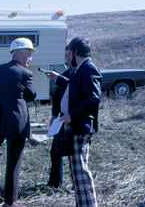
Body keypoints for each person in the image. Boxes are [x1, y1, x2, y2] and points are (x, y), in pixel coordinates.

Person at [47, 37, 101, 207]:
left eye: (69, 52)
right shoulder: (80, 69)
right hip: (74, 127)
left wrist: (72, 115)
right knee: (76, 173)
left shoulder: (88, 68)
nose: (67, 55)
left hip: (79, 126)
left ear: (76, 52)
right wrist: (59, 79)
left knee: (81, 171)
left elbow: (94, 98)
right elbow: (74, 86)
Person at [0, 37, 37, 207]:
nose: (30, 59)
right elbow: (30, 96)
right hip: (16, 121)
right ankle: (10, 201)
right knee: (14, 160)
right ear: (23, 54)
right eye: (29, 55)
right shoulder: (26, 73)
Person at [46, 44, 75, 189]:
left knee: (74, 155)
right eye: (66, 54)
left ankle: (77, 184)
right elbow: (57, 96)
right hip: (62, 118)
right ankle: (55, 184)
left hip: (75, 119)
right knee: (55, 151)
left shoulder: (80, 74)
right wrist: (53, 115)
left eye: (69, 54)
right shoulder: (66, 73)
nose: (67, 57)